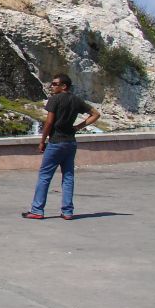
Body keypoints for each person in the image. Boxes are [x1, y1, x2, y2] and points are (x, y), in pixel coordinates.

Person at [22, 73, 100, 220]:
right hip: (71, 142)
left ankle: (37, 210)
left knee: (45, 176)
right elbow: (95, 114)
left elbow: (49, 122)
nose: (52, 86)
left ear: (64, 86)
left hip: (56, 142)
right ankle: (68, 211)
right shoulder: (76, 100)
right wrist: (77, 127)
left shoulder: (55, 99)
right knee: (68, 176)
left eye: (55, 84)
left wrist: (42, 140)